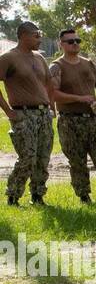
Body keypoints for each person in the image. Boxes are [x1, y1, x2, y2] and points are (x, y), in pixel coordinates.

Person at [47, 27, 96, 206]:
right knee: (77, 161)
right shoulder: (57, 67)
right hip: (69, 120)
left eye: (77, 41)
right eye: (70, 41)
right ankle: (84, 197)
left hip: (92, 120)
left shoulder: (89, 63)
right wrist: (80, 98)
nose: (75, 44)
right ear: (61, 44)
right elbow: (53, 94)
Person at [0, 21, 53, 207]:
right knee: (27, 157)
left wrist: (52, 109)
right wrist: (8, 111)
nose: (40, 39)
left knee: (42, 157)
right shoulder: (8, 58)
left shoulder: (39, 58)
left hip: (44, 115)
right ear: (23, 35)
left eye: (40, 35)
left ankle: (38, 196)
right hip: (23, 115)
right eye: (36, 35)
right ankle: (13, 196)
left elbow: (48, 84)